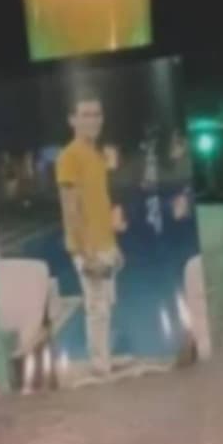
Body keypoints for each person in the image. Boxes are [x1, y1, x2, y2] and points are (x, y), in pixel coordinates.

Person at [56, 89, 124, 374]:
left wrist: (113, 243)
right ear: (72, 120)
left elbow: (100, 202)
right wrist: (86, 254)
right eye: (85, 115)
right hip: (89, 248)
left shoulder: (96, 155)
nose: (92, 120)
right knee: (97, 308)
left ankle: (104, 358)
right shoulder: (69, 156)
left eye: (96, 114)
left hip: (105, 243)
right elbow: (70, 209)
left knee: (106, 305)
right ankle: (100, 366)